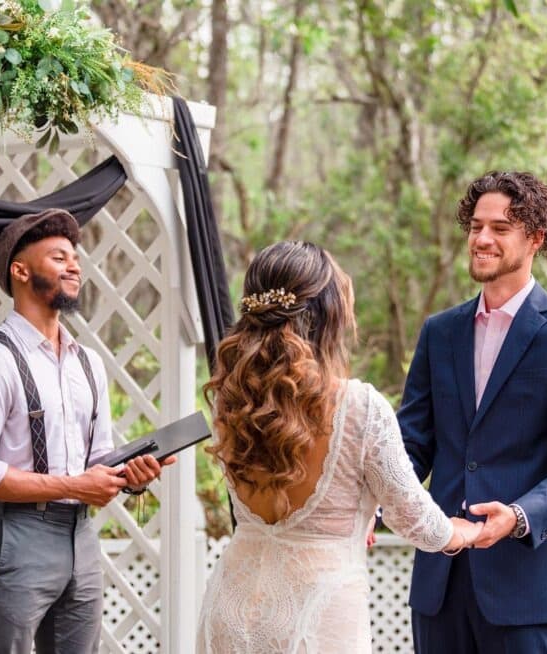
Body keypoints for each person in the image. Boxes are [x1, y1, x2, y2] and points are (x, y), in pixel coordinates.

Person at [196, 241, 483, 653]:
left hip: (232, 606)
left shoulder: (232, 400)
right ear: (328, 315)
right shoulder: (360, 407)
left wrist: (358, 515)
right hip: (316, 615)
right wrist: (463, 532)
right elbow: (416, 520)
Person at [398, 171, 547, 653]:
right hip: (440, 584)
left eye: (500, 227)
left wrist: (518, 517)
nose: (482, 239)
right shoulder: (440, 332)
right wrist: (372, 505)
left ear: (535, 237)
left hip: (525, 589)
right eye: (476, 226)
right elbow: (411, 444)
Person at [0, 208, 173, 654]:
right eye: (58, 257)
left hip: (81, 539)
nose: (74, 265)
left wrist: (130, 475)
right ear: (20, 270)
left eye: (75, 257)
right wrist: (73, 485)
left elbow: (98, 457)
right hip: (16, 537)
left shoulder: (88, 362)